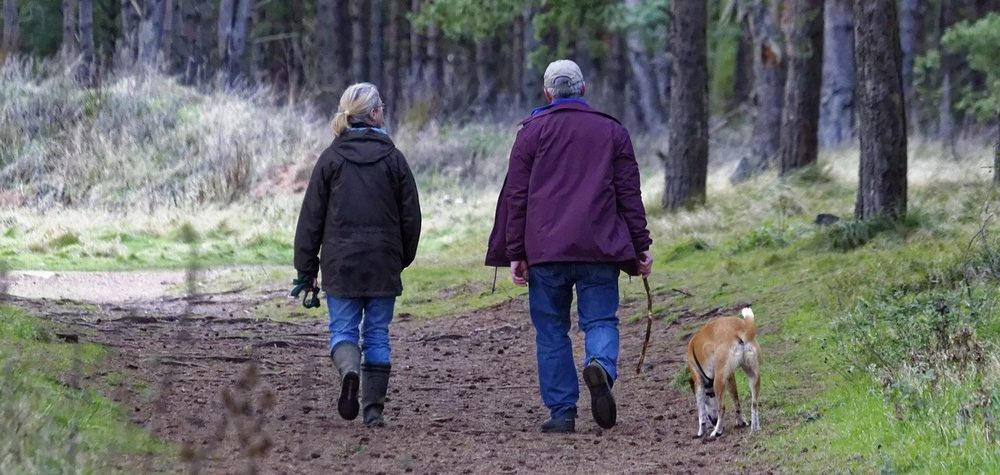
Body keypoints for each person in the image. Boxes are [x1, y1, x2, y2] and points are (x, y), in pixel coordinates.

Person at [485, 60, 653, 433]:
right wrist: (641, 245)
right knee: (600, 320)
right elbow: (629, 194)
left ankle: (562, 412)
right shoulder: (612, 131)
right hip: (599, 248)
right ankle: (601, 368)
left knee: (551, 331)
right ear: (583, 89)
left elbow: (517, 196)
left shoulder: (530, 133)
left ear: (547, 93)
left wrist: (515, 252)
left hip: (546, 253)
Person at [294, 82, 421, 427]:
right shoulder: (394, 159)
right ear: (375, 113)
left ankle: (349, 371)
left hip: (341, 263)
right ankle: (373, 411)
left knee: (343, 332)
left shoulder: (331, 159)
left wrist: (306, 271)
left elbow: (310, 219)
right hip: (383, 262)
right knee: (377, 334)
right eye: (382, 106)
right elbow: (411, 217)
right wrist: (401, 258)